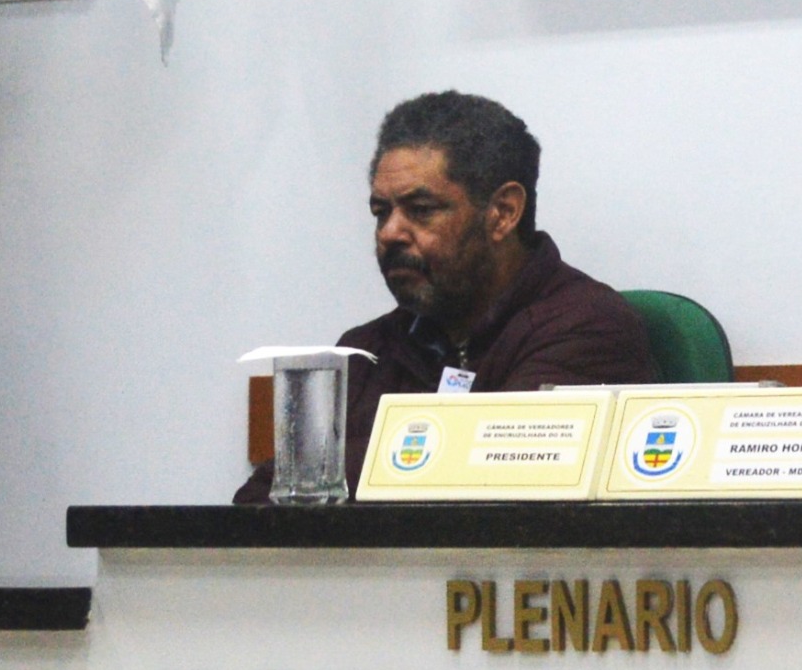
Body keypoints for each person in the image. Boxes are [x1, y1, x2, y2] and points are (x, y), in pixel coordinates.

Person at [237, 92, 650, 501]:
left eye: (420, 209)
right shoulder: (366, 351)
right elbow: (262, 500)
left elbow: (499, 485)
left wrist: (346, 469)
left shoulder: (587, 328)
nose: (389, 233)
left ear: (503, 213)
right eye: (381, 212)